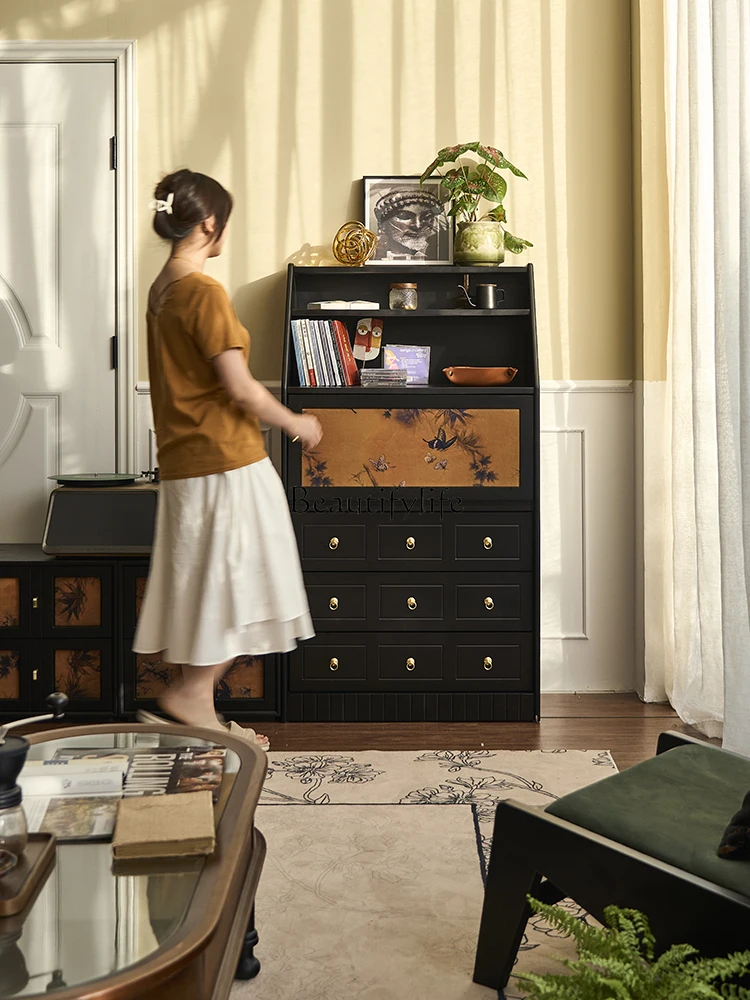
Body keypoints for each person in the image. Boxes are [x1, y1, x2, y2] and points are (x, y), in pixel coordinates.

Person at [132, 168, 321, 749]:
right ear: (209, 223)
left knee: (209, 583)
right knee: (252, 578)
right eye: (223, 224)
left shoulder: (161, 291)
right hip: (228, 460)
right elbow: (238, 387)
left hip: (185, 465)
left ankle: (196, 700)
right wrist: (296, 422)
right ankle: (192, 696)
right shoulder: (204, 292)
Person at [372, 187, 446, 260]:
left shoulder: (435, 256)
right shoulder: (375, 256)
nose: (418, 225)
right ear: (383, 223)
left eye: (426, 217)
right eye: (404, 216)